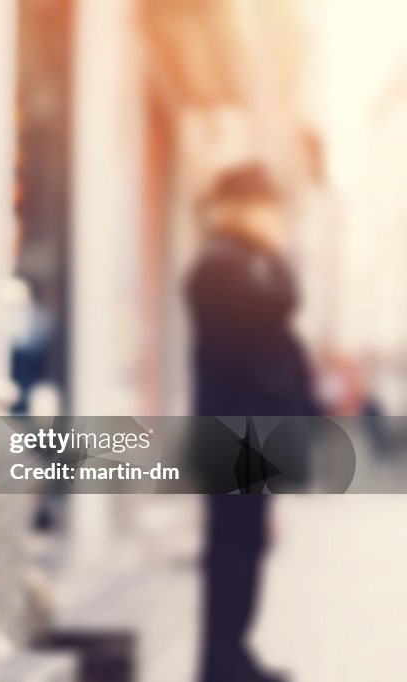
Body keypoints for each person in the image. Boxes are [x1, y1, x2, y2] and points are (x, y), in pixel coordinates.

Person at [186, 163, 316, 682]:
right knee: (234, 551)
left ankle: (231, 656)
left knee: (246, 546)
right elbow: (274, 312)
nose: (276, 218)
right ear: (243, 208)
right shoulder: (225, 265)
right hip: (236, 432)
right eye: (267, 207)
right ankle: (222, 662)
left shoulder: (242, 261)